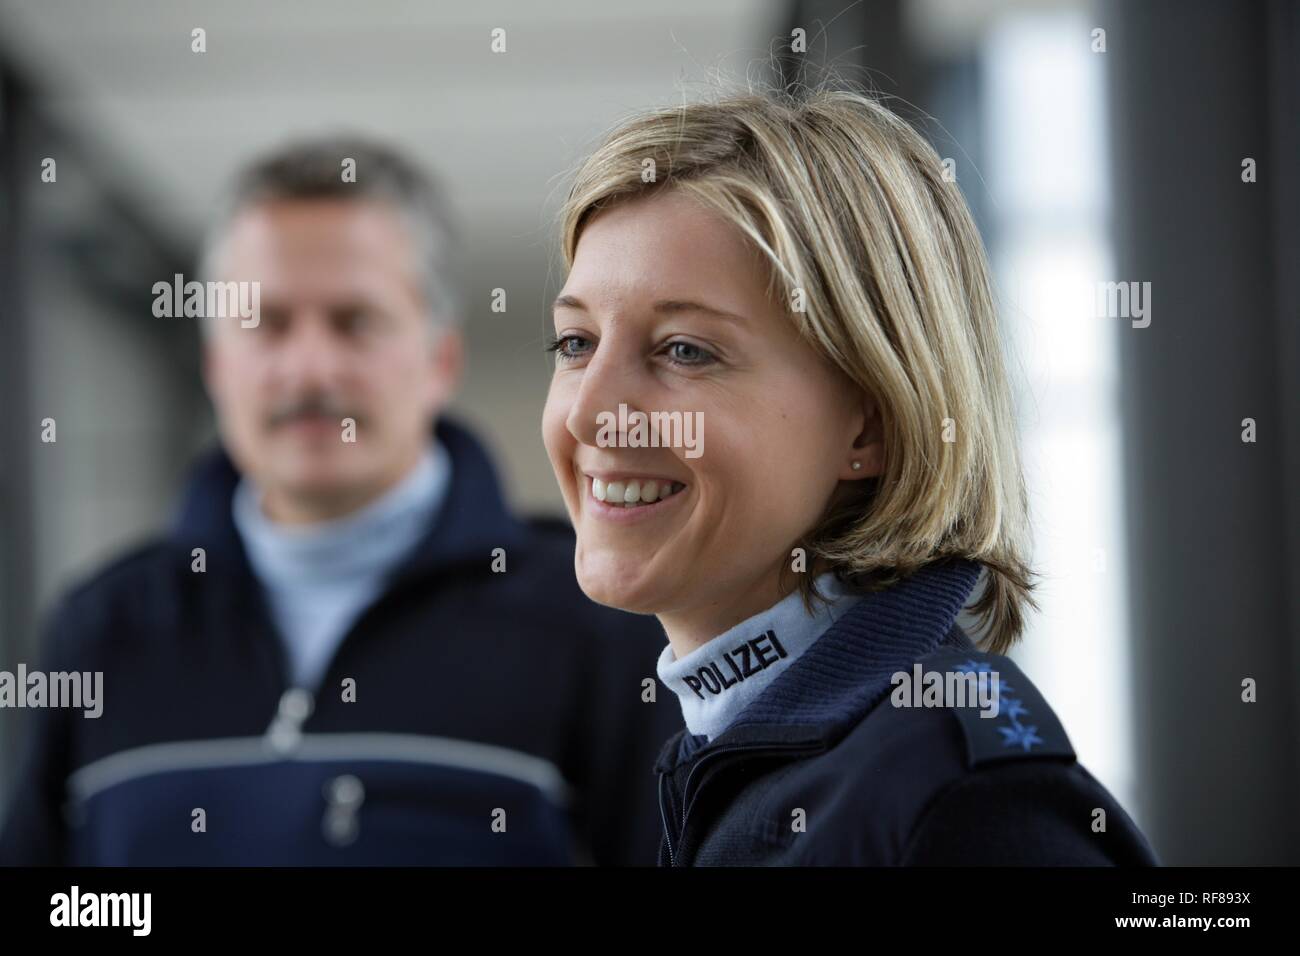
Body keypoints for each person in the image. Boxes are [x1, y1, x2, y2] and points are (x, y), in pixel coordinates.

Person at [0, 137, 680, 866]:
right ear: (215, 363)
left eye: (354, 321)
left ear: (440, 359)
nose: (310, 368)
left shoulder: (597, 626)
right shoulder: (104, 629)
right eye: (268, 323)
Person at [540, 89, 1160, 865]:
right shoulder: (746, 758)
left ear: (868, 423)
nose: (592, 412)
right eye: (575, 343)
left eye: (685, 350)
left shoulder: (964, 804)